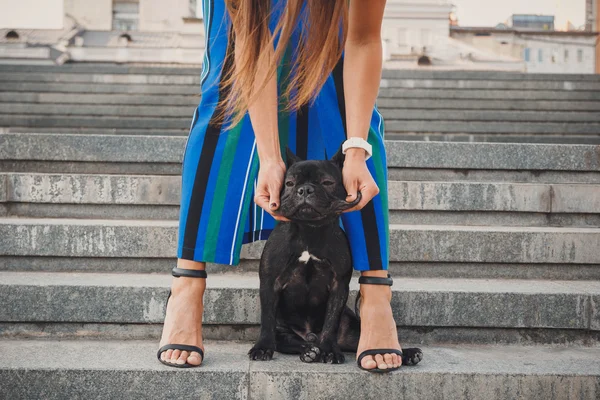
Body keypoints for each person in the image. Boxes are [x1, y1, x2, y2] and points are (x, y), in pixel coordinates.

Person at [157, 0, 403, 372]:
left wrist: (355, 150)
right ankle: (187, 290)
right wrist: (271, 159)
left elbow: (364, 39)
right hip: (247, 28)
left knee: (337, 89)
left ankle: (376, 296)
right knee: (226, 95)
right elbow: (254, 47)